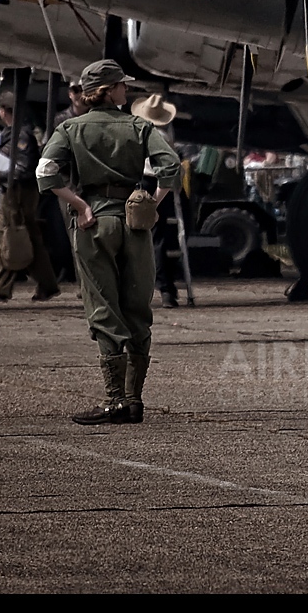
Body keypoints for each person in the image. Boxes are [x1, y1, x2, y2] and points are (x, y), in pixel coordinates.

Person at [38, 60, 180, 425]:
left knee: (103, 305)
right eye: (121, 86)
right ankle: (134, 400)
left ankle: (114, 399)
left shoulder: (70, 128)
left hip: (93, 221)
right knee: (137, 306)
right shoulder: (139, 126)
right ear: (109, 90)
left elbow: (46, 172)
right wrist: (152, 203)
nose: (126, 91)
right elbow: (170, 166)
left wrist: (80, 205)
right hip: (134, 222)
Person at [0, 91, 61, 303]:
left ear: (3, 111)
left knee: (12, 236)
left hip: (20, 193)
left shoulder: (20, 135)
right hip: (17, 191)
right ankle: (47, 284)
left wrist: (0, 175)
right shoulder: (13, 133)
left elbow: (25, 169)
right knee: (26, 238)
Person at [130, 92, 187, 308]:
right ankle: (166, 289)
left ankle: (157, 287)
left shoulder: (144, 134)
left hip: (147, 184)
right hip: (161, 185)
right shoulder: (165, 135)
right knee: (159, 238)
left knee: (148, 238)